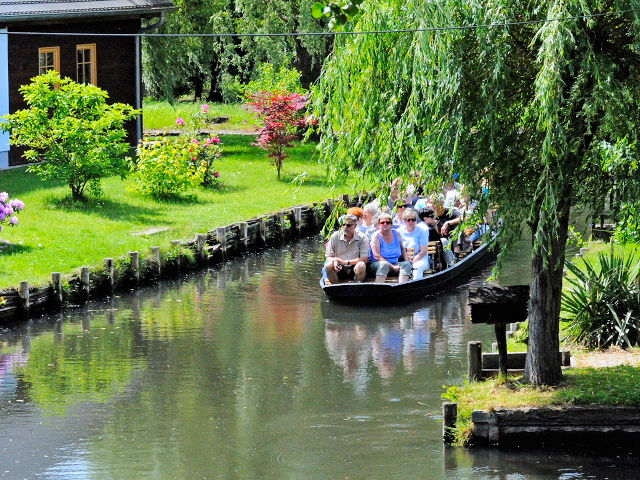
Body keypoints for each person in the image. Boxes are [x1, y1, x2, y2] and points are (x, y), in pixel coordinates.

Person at [324, 214, 370, 283]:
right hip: (339, 268)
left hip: (354, 268)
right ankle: (335, 287)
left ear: (355, 226)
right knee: (328, 265)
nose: (345, 227)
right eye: (343, 225)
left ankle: (357, 286)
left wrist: (347, 262)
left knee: (361, 265)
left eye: (348, 225)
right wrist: (334, 260)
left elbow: (364, 258)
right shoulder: (335, 236)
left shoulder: (362, 237)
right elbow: (328, 256)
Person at [368, 213, 412, 283]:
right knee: (384, 264)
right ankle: (378, 289)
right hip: (377, 264)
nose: (385, 224)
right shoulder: (376, 236)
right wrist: (392, 267)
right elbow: (377, 256)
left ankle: (402, 287)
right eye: (382, 222)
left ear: (391, 224)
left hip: (395, 263)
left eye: (388, 222)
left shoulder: (397, 233)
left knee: (406, 264)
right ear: (379, 224)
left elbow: (403, 249)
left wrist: (407, 260)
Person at [399, 209, 431, 279]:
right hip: (404, 259)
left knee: (416, 267)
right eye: (408, 220)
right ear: (404, 221)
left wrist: (412, 262)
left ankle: (416, 285)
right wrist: (407, 261)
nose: (411, 222)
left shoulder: (421, 231)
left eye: (413, 220)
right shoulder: (399, 231)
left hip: (420, 258)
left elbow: (423, 251)